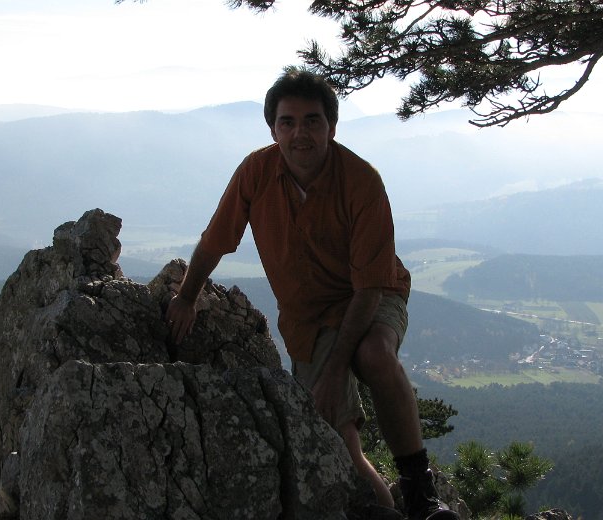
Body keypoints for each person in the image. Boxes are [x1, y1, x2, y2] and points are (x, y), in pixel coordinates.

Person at [166, 68, 458, 520]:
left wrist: (335, 369)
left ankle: (420, 493)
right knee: (338, 439)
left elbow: (369, 287)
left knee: (374, 354)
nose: (299, 133)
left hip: (372, 293)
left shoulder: (361, 181)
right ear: (273, 130)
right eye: (287, 122)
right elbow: (215, 241)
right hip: (308, 319)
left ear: (331, 127)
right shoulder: (256, 173)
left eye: (312, 121)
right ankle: (382, 510)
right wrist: (187, 297)